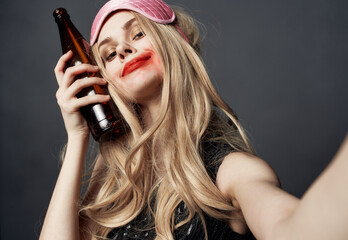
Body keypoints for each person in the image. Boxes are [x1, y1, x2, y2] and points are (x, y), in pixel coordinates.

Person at [40, 0, 348, 239]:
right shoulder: (113, 180)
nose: (122, 49)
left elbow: (290, 229)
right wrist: (78, 134)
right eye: (108, 54)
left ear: (174, 43)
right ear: (103, 81)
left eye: (138, 33)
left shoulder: (234, 172)